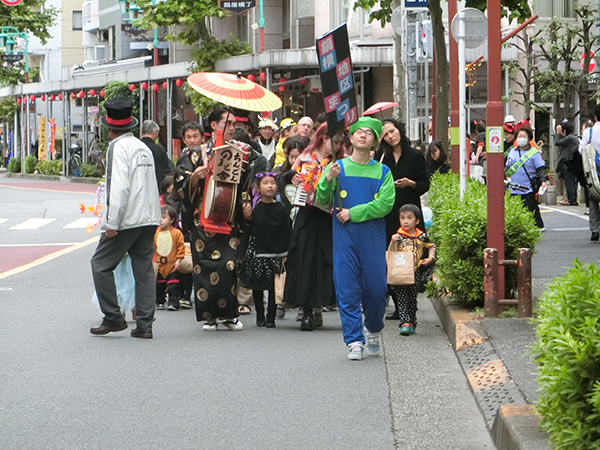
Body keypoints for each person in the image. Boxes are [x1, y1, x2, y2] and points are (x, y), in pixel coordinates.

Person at [316, 116, 395, 360]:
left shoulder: (383, 171)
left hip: (371, 236)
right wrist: (328, 180)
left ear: (374, 141)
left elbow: (386, 204)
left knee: (376, 288)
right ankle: (354, 341)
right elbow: (322, 199)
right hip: (344, 237)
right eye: (358, 132)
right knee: (347, 287)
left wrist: (354, 213)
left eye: (368, 133)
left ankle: (373, 328)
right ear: (350, 138)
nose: (362, 135)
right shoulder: (337, 167)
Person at [90, 96, 161, 339]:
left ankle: (112, 316)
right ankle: (145, 324)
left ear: (108, 127)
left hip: (128, 217)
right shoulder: (143, 146)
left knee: (100, 264)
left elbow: (118, 188)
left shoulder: (116, 147)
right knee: (143, 269)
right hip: (149, 216)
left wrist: (111, 222)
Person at [174, 107, 248, 331]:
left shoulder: (241, 151)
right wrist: (195, 178)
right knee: (203, 267)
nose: (232, 127)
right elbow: (179, 181)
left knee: (228, 265)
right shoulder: (195, 154)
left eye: (234, 124)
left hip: (228, 217)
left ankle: (229, 314)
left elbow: (246, 182)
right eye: (228, 123)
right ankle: (210, 317)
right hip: (202, 218)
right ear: (214, 126)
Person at [284, 123, 340, 330]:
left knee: (325, 261)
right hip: (307, 214)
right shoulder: (306, 156)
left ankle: (319, 306)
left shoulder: (338, 161)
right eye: (335, 138)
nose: (338, 143)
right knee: (305, 261)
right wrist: (292, 177)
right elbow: (287, 177)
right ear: (324, 137)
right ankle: (307, 309)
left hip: (327, 216)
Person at [240, 173, 292, 327]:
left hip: (276, 252)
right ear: (258, 188)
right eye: (265, 183)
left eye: (272, 183)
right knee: (257, 285)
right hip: (258, 251)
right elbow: (248, 231)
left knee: (272, 286)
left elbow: (286, 230)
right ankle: (260, 315)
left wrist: (286, 252)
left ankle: (271, 317)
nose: (270, 186)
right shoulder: (254, 209)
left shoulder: (281, 209)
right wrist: (241, 253)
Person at [375, 118, 429, 241]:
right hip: (387, 210)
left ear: (399, 130)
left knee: (411, 252)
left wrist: (410, 184)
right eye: (385, 134)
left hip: (409, 212)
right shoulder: (381, 156)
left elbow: (425, 184)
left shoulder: (415, 155)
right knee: (389, 251)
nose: (390, 136)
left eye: (392, 131)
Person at [388, 204, 435, 336]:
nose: (406, 221)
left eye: (409, 218)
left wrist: (430, 258)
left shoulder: (421, 237)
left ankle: (412, 321)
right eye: (402, 218)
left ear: (417, 220)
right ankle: (404, 323)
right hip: (401, 271)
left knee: (412, 297)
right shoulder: (398, 237)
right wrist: (392, 242)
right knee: (402, 296)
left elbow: (431, 246)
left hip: (415, 271)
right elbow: (391, 252)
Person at [505, 125, 547, 230]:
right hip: (513, 188)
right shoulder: (512, 152)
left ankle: (537, 226)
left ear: (529, 138)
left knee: (530, 207)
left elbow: (540, 168)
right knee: (514, 210)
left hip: (528, 187)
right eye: (519, 136)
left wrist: (543, 181)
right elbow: (507, 167)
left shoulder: (534, 153)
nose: (521, 138)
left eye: (524, 136)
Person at [155, 205, 186, 311]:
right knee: (159, 285)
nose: (161, 220)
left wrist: (179, 260)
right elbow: (153, 247)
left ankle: (173, 302)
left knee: (173, 284)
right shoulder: (156, 233)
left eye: (164, 217)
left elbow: (181, 248)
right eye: (160, 217)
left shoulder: (177, 233)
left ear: (172, 219)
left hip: (172, 264)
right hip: (159, 263)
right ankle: (159, 301)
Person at [578, 104, 600, 241]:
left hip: (594, 170)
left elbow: (581, 150)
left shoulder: (589, 132)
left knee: (594, 200)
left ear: (595, 116)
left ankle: (595, 230)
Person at [141, 120, 174, 189]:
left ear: (141, 133)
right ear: (155, 132)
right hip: (156, 188)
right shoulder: (159, 149)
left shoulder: (135, 148)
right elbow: (167, 169)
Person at [555, 120, 580, 206]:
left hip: (568, 163)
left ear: (564, 131)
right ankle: (572, 199)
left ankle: (572, 200)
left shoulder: (569, 138)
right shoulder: (572, 137)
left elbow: (557, 142)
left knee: (569, 182)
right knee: (572, 182)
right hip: (572, 162)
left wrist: (557, 133)